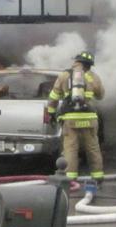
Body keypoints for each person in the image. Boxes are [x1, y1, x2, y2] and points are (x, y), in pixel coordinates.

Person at [45, 50, 106, 185]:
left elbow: (54, 97)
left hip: (71, 119)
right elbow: (101, 96)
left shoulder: (64, 75)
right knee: (93, 149)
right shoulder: (93, 77)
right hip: (90, 118)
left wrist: (51, 112)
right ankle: (98, 177)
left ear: (77, 62)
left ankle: (70, 179)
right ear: (89, 65)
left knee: (70, 149)